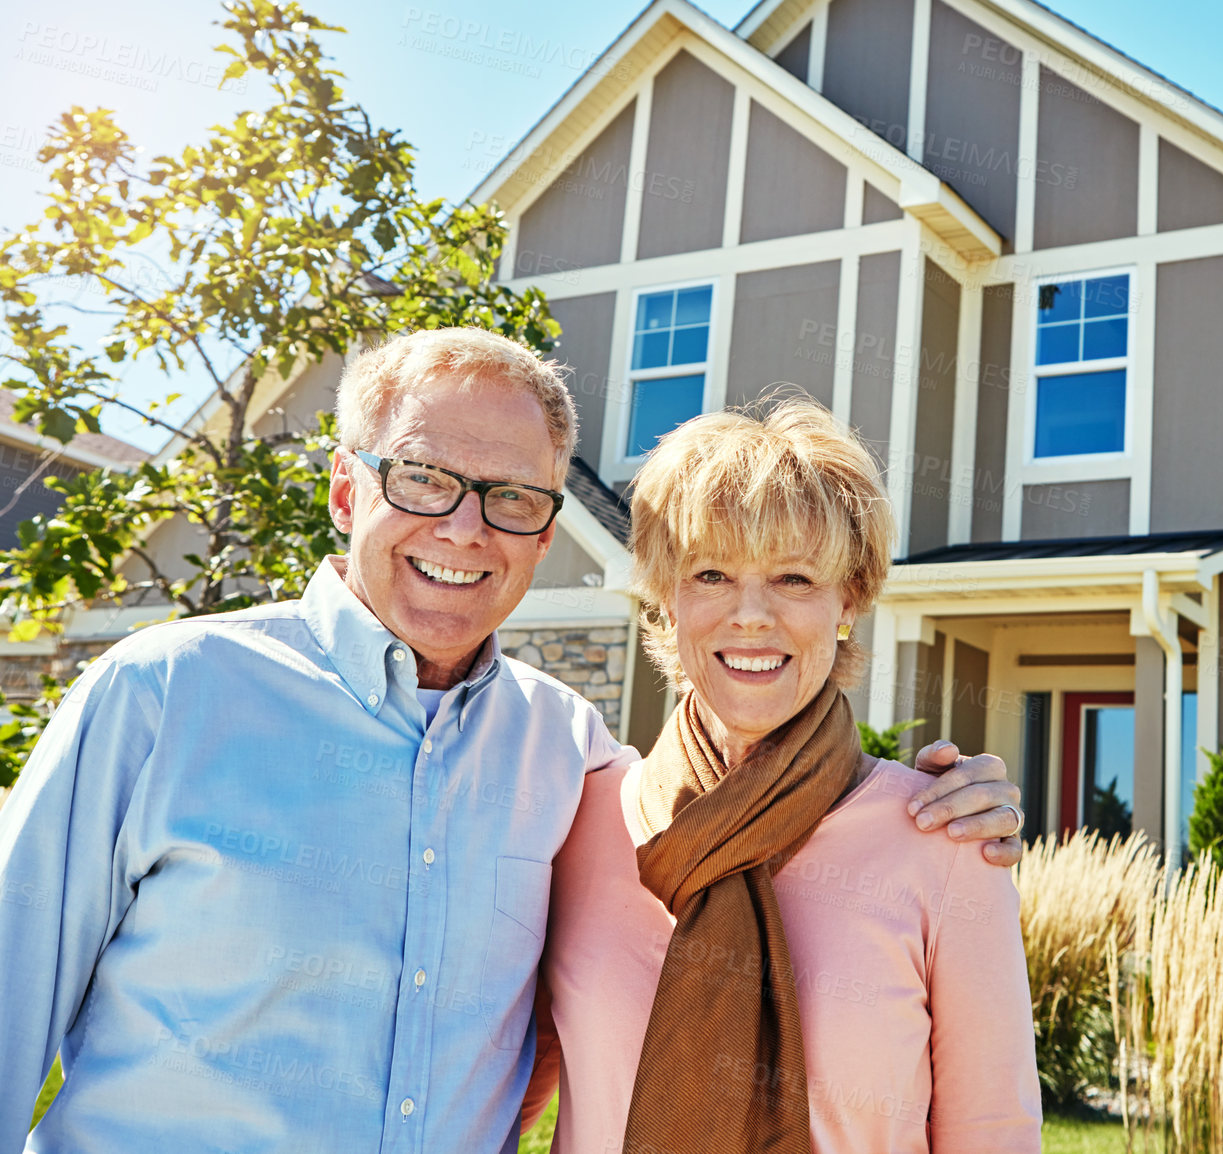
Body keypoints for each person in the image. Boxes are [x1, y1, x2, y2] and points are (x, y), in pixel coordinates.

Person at [0, 328, 1025, 1153]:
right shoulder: (165, 694)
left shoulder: (570, 761)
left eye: (512, 499)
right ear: (345, 489)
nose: (463, 527)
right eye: (422, 478)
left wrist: (960, 793)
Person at [525, 398, 1041, 1153]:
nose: (751, 615)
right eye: (711, 573)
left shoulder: (943, 838)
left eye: (794, 578)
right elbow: (498, 1084)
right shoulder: (579, 818)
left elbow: (990, 1131)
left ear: (849, 600)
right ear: (668, 598)